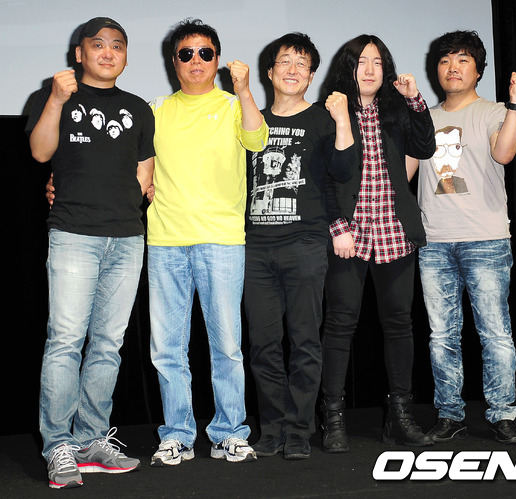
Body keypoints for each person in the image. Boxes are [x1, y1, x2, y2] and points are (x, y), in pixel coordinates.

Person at [26, 17, 155, 489]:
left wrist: (131, 200)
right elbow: (41, 153)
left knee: (107, 345)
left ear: (125, 56)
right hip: (74, 235)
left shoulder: (138, 108)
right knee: (65, 341)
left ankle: (92, 440)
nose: (108, 52)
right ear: (79, 53)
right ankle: (58, 445)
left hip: (127, 238)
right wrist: (57, 99)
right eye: (97, 45)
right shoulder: (54, 95)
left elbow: (145, 172)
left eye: (117, 46)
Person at [147, 19, 268, 465]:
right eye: (186, 53)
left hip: (221, 240)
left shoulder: (235, 105)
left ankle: (229, 432)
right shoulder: (155, 109)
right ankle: (177, 434)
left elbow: (256, 140)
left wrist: (245, 90)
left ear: (217, 60)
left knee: (227, 346)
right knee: (167, 349)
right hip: (165, 240)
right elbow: (132, 165)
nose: (195, 60)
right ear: (173, 61)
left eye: (205, 53)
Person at [320, 35, 436, 452]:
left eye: (377, 62)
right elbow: (323, 177)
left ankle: (400, 417)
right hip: (349, 235)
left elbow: (425, 147)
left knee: (400, 324)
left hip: (394, 230)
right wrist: (338, 226)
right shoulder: (329, 110)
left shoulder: (396, 110)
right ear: (347, 68)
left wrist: (415, 99)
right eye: (361, 61)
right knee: (340, 324)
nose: (369, 69)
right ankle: (332, 417)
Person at [244, 33, 356, 460]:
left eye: (302, 64)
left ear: (310, 76)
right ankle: (272, 427)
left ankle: (299, 430)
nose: (293, 69)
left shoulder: (322, 119)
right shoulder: (250, 118)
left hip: (305, 243)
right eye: (285, 61)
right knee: (263, 345)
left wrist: (342, 119)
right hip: (255, 248)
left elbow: (343, 172)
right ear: (270, 71)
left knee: (306, 341)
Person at [416, 30, 516, 444]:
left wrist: (515, 102)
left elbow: (504, 153)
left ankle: (502, 414)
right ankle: (450, 414)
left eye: (462, 60)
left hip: (486, 239)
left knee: (494, 332)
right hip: (434, 241)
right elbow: (404, 171)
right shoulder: (424, 118)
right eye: (445, 60)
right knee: (441, 336)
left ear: (478, 70)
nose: (453, 68)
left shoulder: (495, 111)